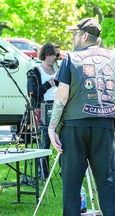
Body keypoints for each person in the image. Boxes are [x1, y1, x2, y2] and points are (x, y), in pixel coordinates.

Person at [48, 18, 115, 215]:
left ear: (85, 36)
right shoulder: (113, 58)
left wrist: (52, 128)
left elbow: (61, 96)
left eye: (75, 34)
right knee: (108, 183)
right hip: (105, 126)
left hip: (75, 126)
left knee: (71, 185)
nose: (72, 37)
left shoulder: (72, 58)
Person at [27, 42, 60, 179]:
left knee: (64, 139)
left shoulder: (58, 69)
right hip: (44, 107)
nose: (58, 57)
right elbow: (33, 93)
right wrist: (49, 84)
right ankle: (43, 173)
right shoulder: (36, 71)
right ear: (47, 54)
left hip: (60, 106)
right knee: (45, 141)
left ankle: (65, 171)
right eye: (56, 54)